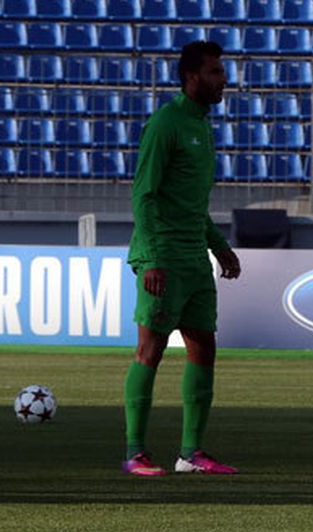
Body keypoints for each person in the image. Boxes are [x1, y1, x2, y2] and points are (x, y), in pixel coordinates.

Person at [122, 40, 240, 476]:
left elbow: (192, 203)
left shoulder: (202, 126)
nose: (222, 78)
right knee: (150, 349)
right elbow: (144, 194)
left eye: (221, 71)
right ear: (192, 77)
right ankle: (135, 452)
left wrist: (218, 245)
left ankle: (191, 453)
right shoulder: (165, 125)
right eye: (214, 72)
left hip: (193, 255)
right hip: (164, 256)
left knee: (203, 348)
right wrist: (151, 257)